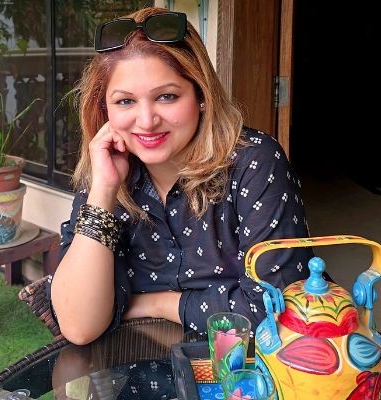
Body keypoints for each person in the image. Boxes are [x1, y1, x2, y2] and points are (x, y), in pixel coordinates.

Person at [49, 7, 315, 346]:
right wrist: (103, 190)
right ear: (105, 110)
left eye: (166, 96)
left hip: (246, 370)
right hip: (134, 366)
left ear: (201, 95)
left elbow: (277, 311)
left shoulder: (254, 162)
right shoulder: (105, 171)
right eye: (125, 101)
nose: (146, 121)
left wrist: (155, 304)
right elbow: (79, 325)